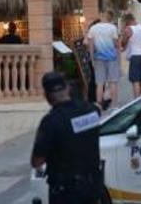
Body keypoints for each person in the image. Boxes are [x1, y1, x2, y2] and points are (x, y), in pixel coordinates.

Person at [31, 72, 102, 204]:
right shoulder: (92, 111)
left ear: (47, 96)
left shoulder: (51, 121)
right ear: (67, 88)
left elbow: (37, 161)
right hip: (93, 185)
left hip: (67, 191)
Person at [86, 11, 120, 111]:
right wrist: (118, 59)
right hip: (112, 58)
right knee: (113, 82)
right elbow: (115, 44)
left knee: (100, 83)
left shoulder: (93, 28)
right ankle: (114, 106)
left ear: (101, 17)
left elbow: (90, 45)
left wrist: (92, 59)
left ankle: (99, 105)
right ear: (109, 17)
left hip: (98, 58)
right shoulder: (113, 28)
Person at [121, 12, 141, 97]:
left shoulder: (129, 29)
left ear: (127, 21)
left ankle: (137, 102)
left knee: (136, 81)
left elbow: (123, 43)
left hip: (135, 56)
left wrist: (124, 42)